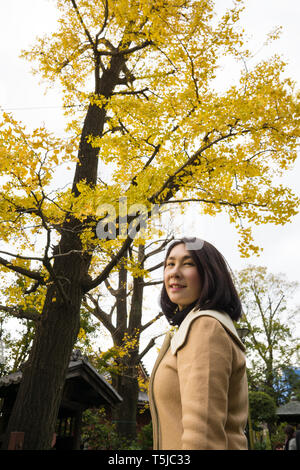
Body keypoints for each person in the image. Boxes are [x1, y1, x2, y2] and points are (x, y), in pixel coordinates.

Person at [148, 237, 249, 450]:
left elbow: (202, 438)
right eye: (170, 264)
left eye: (188, 263)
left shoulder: (205, 327)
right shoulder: (192, 327)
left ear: (209, 273)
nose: (174, 272)